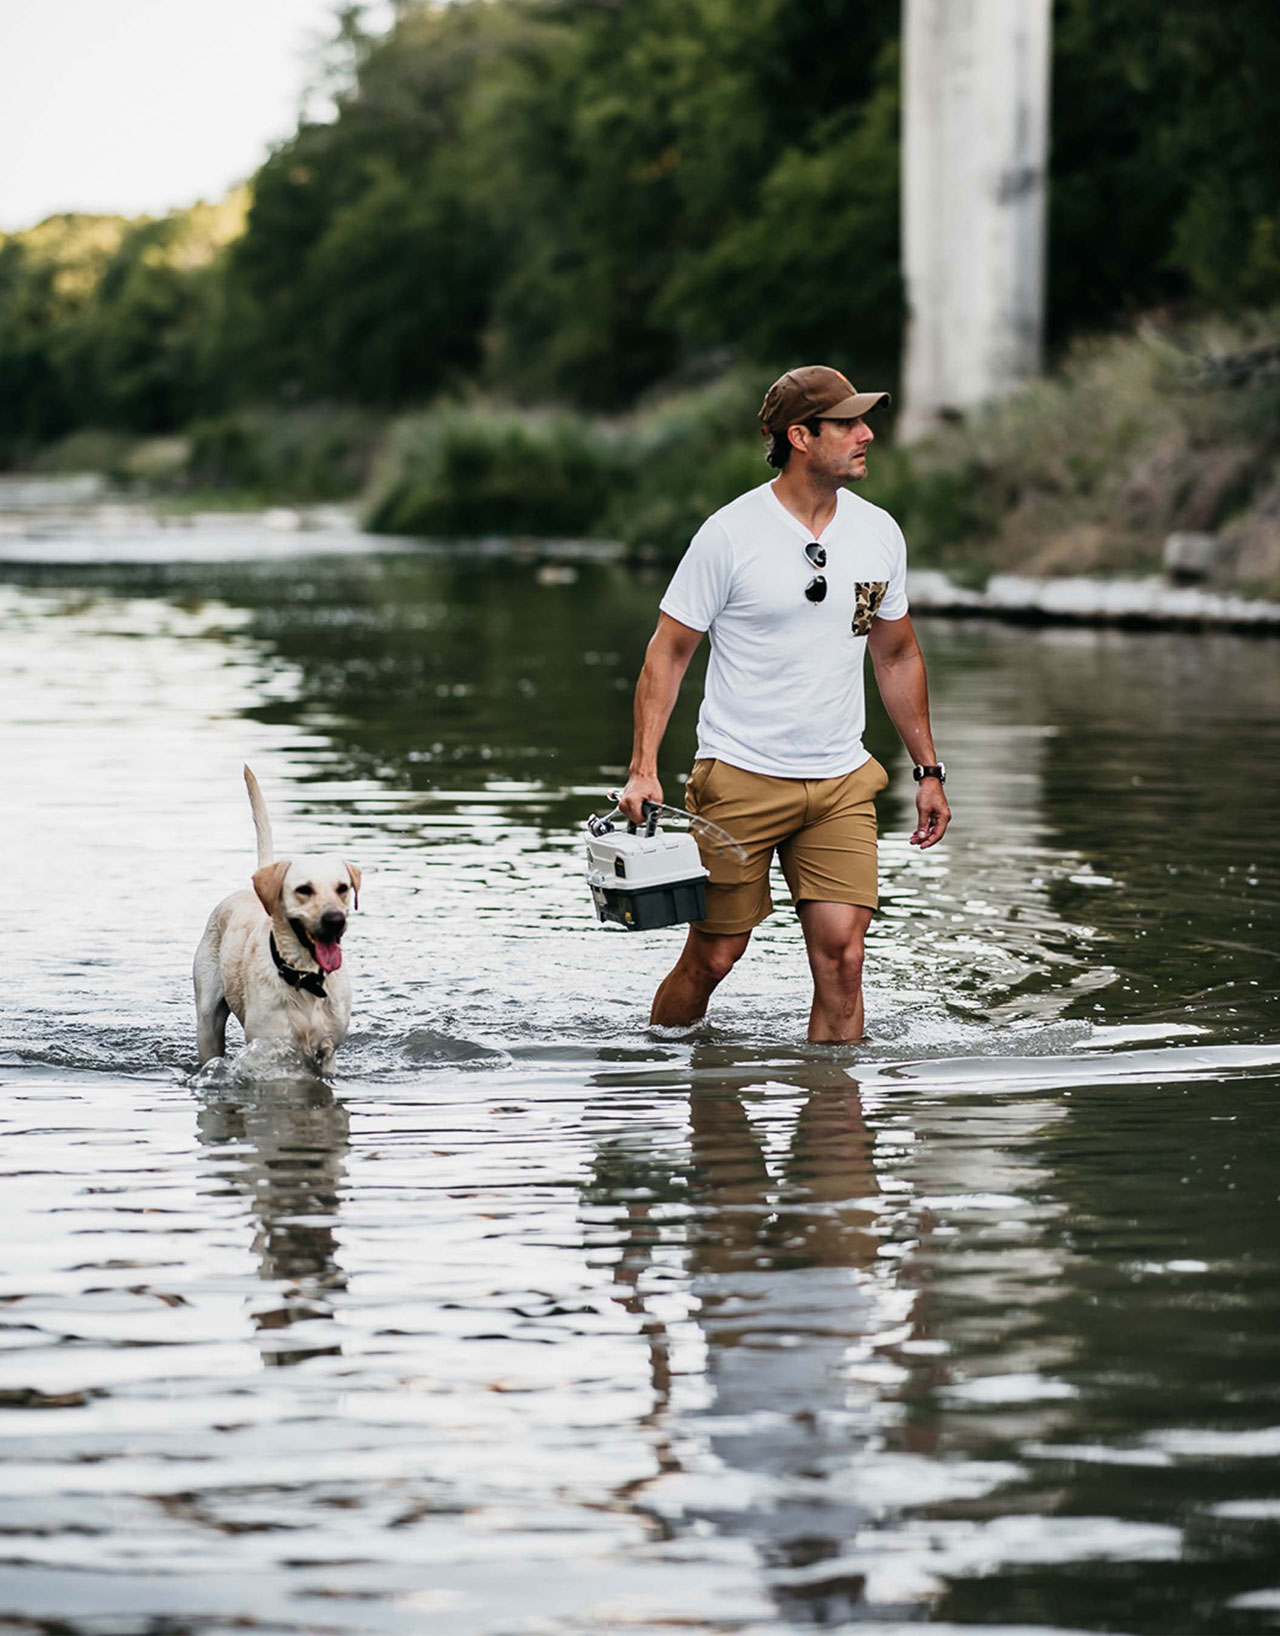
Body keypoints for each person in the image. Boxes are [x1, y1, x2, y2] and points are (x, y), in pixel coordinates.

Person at [618, 364, 950, 1043]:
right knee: (716, 955)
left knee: (845, 957)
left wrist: (928, 771)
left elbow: (895, 653)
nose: (867, 435)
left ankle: (834, 1127)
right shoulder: (729, 533)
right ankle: (655, 1070)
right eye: (849, 424)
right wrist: (643, 768)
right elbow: (669, 651)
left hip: (841, 780)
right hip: (739, 774)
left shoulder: (879, 532)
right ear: (799, 436)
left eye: (866, 421)